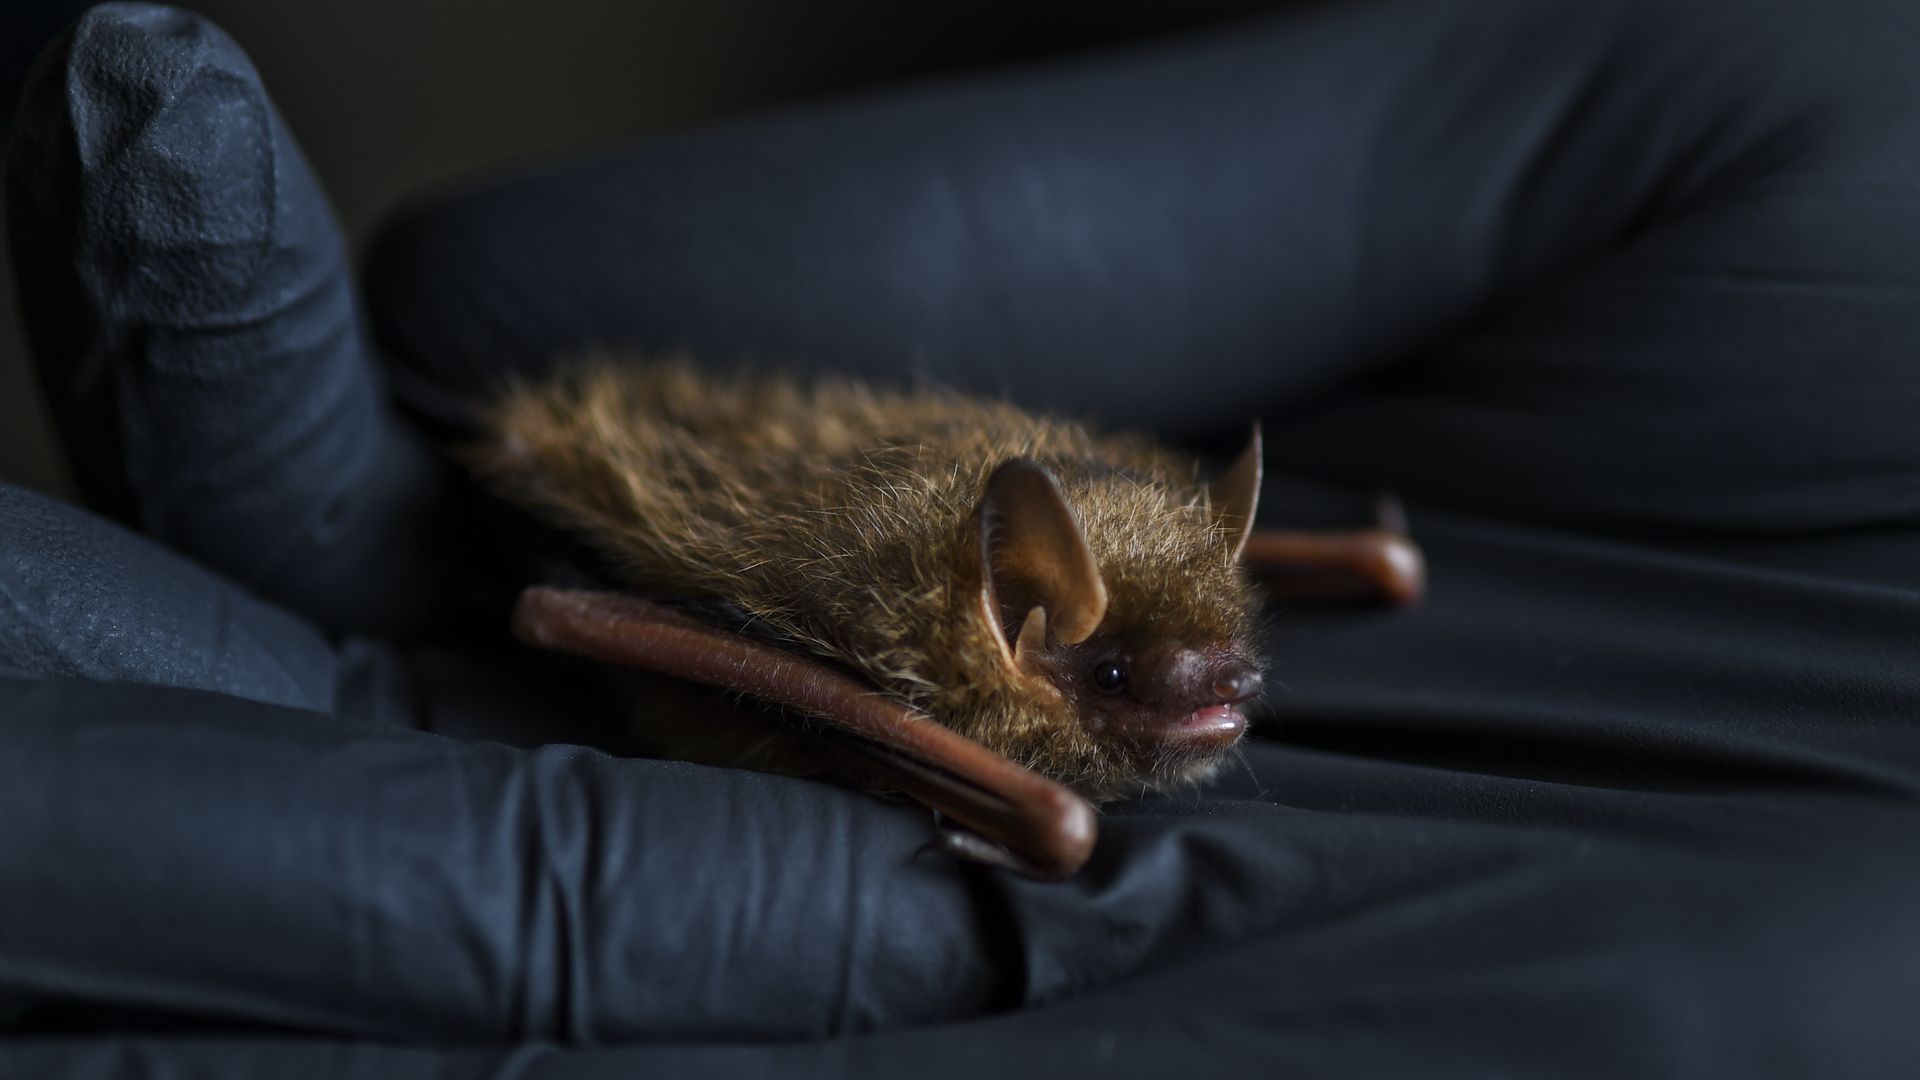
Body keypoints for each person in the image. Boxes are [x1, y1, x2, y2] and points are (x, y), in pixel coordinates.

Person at [4, 1, 1918, 1074]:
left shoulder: (1149, 579)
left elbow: (1173, 605)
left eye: (1212, 646)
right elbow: (605, 612)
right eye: (1114, 667)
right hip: (687, 580)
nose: (1204, 689)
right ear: (1018, 641)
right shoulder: (961, 663)